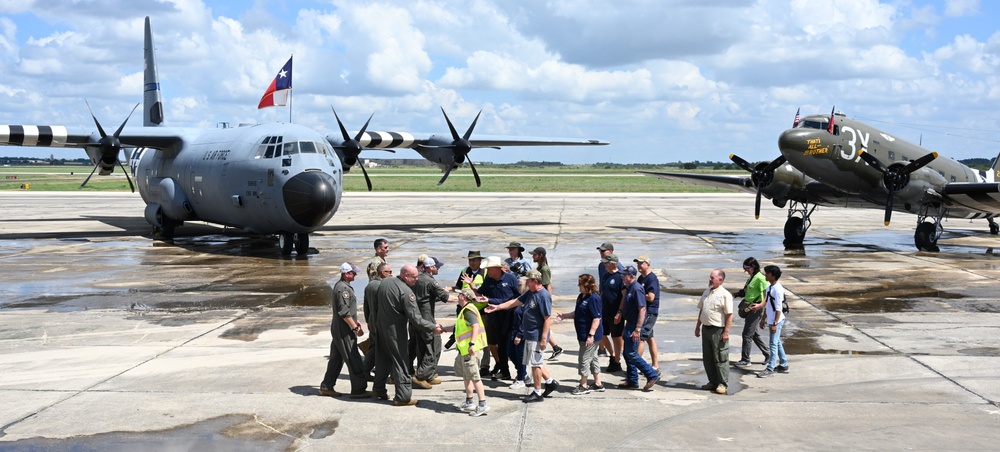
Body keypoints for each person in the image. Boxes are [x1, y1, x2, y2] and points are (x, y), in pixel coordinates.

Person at [371, 264, 443, 406]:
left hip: (381, 327)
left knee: (382, 359)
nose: (417, 279)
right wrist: (432, 327)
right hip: (396, 332)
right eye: (414, 277)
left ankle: (378, 389)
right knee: (401, 362)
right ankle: (403, 397)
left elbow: (375, 304)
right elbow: (416, 319)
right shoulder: (406, 292)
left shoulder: (386, 282)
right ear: (405, 276)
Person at [485, 269, 559, 403]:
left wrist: (543, 339)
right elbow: (515, 302)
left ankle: (537, 392)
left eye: (528, 280)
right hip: (529, 334)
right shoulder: (530, 293)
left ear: (535, 281)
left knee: (535, 364)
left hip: (536, 336)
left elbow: (547, 318)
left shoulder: (543, 296)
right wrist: (497, 307)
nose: (525, 282)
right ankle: (550, 381)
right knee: (535, 361)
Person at [319, 262, 370, 399]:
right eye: (353, 272)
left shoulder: (342, 286)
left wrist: (355, 321)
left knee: (336, 359)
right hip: (344, 330)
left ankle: (326, 386)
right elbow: (344, 312)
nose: (355, 274)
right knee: (354, 359)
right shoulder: (343, 289)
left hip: (340, 328)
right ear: (346, 273)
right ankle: (359, 390)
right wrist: (354, 328)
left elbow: (347, 311)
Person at [440, 288, 491, 417]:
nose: (458, 296)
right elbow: (458, 328)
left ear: (464, 296)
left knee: (475, 377)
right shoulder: (465, 310)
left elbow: (475, 326)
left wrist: (472, 344)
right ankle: (469, 402)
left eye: (460, 294)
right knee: (467, 375)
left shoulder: (468, 310)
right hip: (464, 350)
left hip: (471, 350)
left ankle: (482, 404)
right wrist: (443, 329)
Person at [555, 274, 605, 395]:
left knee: (584, 359)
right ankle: (598, 383)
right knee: (592, 358)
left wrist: (591, 335)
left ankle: (584, 385)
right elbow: (578, 313)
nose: (578, 286)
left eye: (580, 284)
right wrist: (564, 316)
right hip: (582, 334)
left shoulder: (594, 298)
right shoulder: (582, 297)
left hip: (590, 335)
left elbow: (596, 318)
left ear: (586, 285)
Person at [476, 255, 520, 380]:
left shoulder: (510, 278)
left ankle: (521, 373)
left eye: (490, 269)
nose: (488, 271)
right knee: (500, 346)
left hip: (510, 316)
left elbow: (514, 299)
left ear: (497, 268)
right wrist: (473, 288)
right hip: (495, 317)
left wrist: (491, 300)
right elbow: (481, 293)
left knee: (512, 347)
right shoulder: (489, 280)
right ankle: (505, 372)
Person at [616, 266, 660, 390]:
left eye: (624, 275)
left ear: (631, 276)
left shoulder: (637, 288)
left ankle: (651, 374)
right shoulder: (629, 288)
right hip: (629, 324)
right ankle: (632, 380)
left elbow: (642, 309)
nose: (622, 278)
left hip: (635, 326)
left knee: (631, 353)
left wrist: (638, 329)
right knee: (626, 353)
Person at [412, 257, 453, 388]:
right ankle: (421, 376)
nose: (438, 269)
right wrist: (468, 299)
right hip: (427, 317)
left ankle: (427, 375)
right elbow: (445, 297)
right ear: (431, 267)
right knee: (434, 345)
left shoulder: (417, 278)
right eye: (437, 267)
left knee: (422, 347)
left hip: (416, 317)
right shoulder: (430, 281)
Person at [695, 269, 734, 395]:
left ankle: (722, 384)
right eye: (710, 277)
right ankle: (712, 381)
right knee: (708, 358)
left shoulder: (725, 294)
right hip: (706, 329)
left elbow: (729, 315)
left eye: (712, 277)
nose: (710, 279)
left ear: (720, 280)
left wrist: (726, 332)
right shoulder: (707, 291)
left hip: (718, 330)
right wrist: (698, 326)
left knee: (720, 358)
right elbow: (702, 310)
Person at [445, 250, 486, 350]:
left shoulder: (485, 272)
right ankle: (462, 350)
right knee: (463, 331)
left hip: (481, 309)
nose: (472, 263)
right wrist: (449, 289)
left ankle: (484, 364)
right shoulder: (465, 271)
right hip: (464, 308)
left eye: (474, 260)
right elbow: (458, 287)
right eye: (470, 260)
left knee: (481, 333)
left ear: (480, 261)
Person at [734, 257, 770, 367]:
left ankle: (745, 359)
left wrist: (760, 306)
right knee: (753, 334)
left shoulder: (760, 278)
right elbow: (747, 291)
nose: (746, 271)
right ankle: (769, 354)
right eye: (744, 269)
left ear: (754, 267)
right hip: (749, 308)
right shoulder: (751, 277)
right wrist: (736, 294)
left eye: (747, 268)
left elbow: (767, 296)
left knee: (746, 334)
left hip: (755, 309)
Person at [530, 246, 564, 360]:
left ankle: (556, 347)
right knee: (542, 325)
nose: (532, 256)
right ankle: (556, 347)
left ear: (540, 255)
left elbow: (548, 285)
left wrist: (547, 301)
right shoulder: (540, 267)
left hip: (542, 300)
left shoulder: (544, 269)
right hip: (539, 299)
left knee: (543, 324)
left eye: (534, 254)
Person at [758, 265, 789, 378]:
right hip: (771, 320)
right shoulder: (769, 287)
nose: (765, 275)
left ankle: (770, 368)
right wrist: (763, 319)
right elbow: (767, 305)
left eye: (767, 273)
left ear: (773, 276)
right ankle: (784, 363)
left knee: (773, 344)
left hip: (777, 321)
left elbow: (778, 309)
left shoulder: (778, 289)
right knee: (777, 342)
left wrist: (775, 324)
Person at [596, 242, 624, 358]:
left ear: (611, 252)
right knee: (601, 331)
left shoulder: (620, 271)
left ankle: (619, 353)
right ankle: (605, 351)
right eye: (600, 251)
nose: (601, 253)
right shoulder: (601, 266)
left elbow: (624, 293)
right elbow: (602, 286)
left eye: (604, 251)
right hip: (604, 306)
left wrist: (620, 311)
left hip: (615, 309)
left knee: (616, 335)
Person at [634, 256, 661, 370]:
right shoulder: (641, 278)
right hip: (644, 311)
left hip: (650, 312)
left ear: (648, 265)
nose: (639, 266)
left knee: (641, 338)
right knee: (650, 338)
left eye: (641, 263)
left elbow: (651, 297)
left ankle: (637, 366)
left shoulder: (651, 279)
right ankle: (655, 365)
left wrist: (639, 294)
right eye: (638, 264)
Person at [599, 253, 625, 373]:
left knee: (616, 337)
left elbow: (624, 296)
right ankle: (613, 354)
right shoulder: (605, 276)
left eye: (606, 263)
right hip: (604, 311)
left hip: (615, 312)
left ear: (613, 263)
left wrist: (620, 311)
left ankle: (617, 361)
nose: (604, 265)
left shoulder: (620, 277)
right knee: (601, 335)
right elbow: (602, 293)